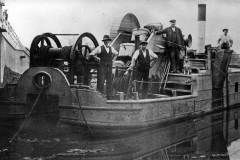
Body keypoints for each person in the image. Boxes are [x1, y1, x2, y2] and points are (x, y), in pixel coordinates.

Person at [89, 35, 118, 99]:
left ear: (109, 41)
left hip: (109, 67)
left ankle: (109, 97)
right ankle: (99, 97)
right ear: (104, 41)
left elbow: (116, 53)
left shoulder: (111, 48)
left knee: (109, 82)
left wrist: (113, 60)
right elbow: (91, 54)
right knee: (101, 81)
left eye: (107, 41)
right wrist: (97, 58)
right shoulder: (100, 48)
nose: (106, 42)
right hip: (102, 67)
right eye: (105, 41)